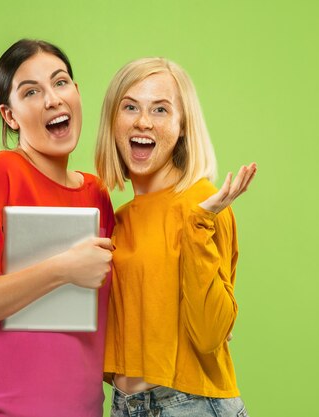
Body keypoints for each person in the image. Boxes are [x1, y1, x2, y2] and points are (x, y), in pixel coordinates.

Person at [0, 39, 115, 417]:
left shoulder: (96, 194)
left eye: (60, 82)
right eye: (31, 91)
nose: (52, 99)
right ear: (10, 116)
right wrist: (62, 269)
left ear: (77, 92)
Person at [95, 57, 256, 416]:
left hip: (190, 405)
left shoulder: (204, 203)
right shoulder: (117, 220)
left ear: (183, 127)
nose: (143, 121)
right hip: (126, 406)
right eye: (130, 106)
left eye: (161, 109)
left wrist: (201, 225)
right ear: (113, 120)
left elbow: (211, 334)